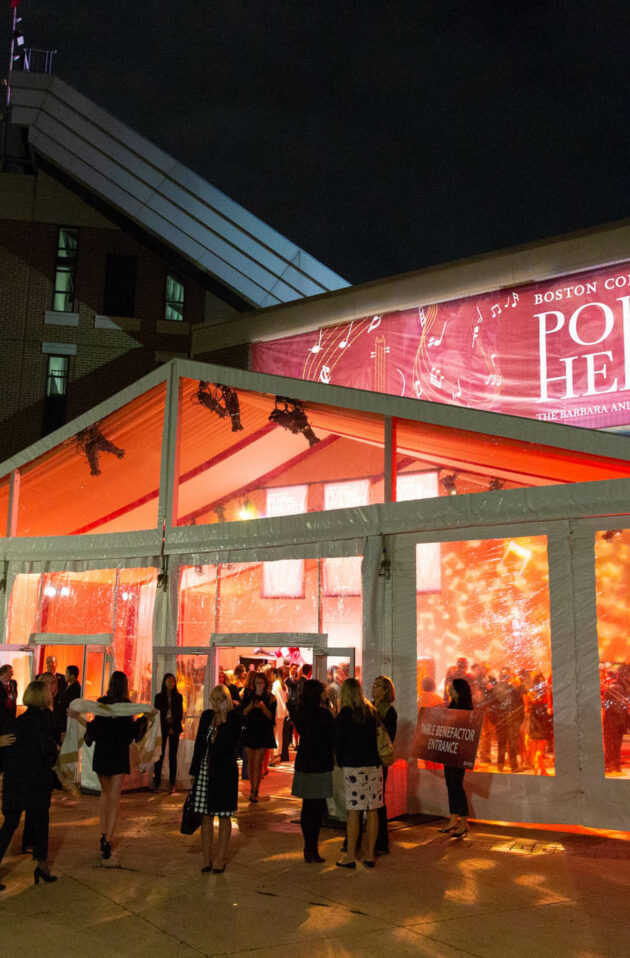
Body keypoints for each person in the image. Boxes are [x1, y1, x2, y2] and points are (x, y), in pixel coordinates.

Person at [0, 680, 58, 887]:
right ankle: (42, 866)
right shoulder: (44, 720)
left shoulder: (18, 721)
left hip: (16, 780)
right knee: (41, 823)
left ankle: (42, 866)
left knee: (10, 824)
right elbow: (48, 750)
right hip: (36, 780)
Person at [86, 670, 148, 861]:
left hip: (103, 753)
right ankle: (109, 839)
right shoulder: (127, 706)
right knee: (115, 796)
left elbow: (94, 728)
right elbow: (131, 733)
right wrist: (144, 720)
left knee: (105, 795)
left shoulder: (102, 702)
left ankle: (103, 832)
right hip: (118, 753)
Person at [189, 684, 241, 873]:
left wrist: (225, 720)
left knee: (225, 815)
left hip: (225, 772)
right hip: (205, 771)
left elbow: (231, 745)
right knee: (206, 816)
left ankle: (220, 858)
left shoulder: (234, 718)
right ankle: (206, 858)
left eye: (220, 700)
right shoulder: (206, 717)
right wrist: (193, 772)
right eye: (214, 700)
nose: (216, 704)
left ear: (227, 700)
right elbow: (199, 745)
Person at [334, 677, 382, 869]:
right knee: (372, 810)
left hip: (354, 767)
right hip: (374, 766)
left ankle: (351, 855)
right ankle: (370, 854)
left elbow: (339, 744)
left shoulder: (344, 716)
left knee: (353, 811)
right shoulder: (371, 711)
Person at [291, 679, 334, 862]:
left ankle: (308, 846)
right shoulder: (324, 714)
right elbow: (331, 737)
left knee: (308, 806)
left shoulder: (300, 712)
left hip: (305, 761)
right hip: (320, 763)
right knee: (316, 807)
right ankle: (312, 847)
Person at [440, 678, 473, 839]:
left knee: (456, 784)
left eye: (452, 688)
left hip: (459, 751)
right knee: (450, 783)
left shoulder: (465, 709)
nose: (449, 690)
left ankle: (463, 821)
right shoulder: (452, 705)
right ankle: (453, 818)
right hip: (449, 750)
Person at [240, 670, 276, 803]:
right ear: (253, 684)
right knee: (250, 761)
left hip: (263, 731)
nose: (259, 685)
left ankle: (256, 790)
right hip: (250, 730)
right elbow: (242, 713)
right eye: (257, 683)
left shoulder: (270, 697)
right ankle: (251, 789)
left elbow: (272, 718)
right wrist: (251, 706)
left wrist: (263, 708)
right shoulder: (248, 695)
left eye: (261, 683)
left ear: (265, 684)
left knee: (258, 762)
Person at [372, 675, 397, 855]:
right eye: (374, 684)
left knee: (378, 799)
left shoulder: (389, 711)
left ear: (386, 690)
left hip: (379, 759)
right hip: (367, 758)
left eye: (378, 685)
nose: (374, 687)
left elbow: (390, 738)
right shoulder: (369, 707)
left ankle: (382, 840)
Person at [153, 673, 184, 793]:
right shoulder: (159, 697)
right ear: (164, 682)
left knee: (173, 756)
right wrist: (166, 728)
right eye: (169, 681)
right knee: (159, 755)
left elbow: (179, 714)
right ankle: (157, 782)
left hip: (175, 728)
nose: (172, 683)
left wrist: (173, 727)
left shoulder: (178, 697)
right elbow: (158, 714)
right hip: (162, 728)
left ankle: (172, 783)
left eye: (173, 681)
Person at [528, 673, 552, 775]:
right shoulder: (545, 691)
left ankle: (539, 769)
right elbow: (549, 707)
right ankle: (540, 769)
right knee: (541, 746)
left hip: (534, 719)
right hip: (542, 719)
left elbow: (530, 703)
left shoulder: (531, 691)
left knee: (536, 745)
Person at [271, 668, 289, 766]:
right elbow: (286, 699)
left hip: (277, 711)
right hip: (283, 711)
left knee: (275, 734)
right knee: (279, 734)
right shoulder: (284, 685)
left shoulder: (276, 685)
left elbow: (274, 698)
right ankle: (278, 753)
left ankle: (275, 754)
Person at [58, 666, 81, 738]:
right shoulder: (68, 686)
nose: (65, 675)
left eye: (67, 673)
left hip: (68, 720)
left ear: (72, 676)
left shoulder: (76, 688)